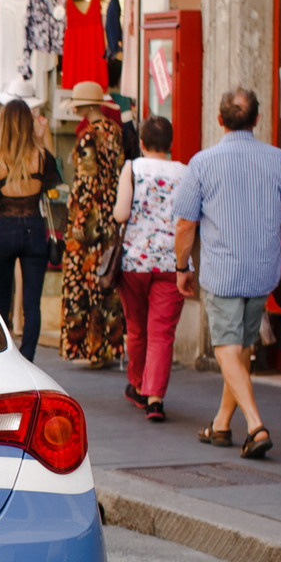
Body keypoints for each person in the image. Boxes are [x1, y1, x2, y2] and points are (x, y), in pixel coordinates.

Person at [173, 87, 281, 462]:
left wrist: (182, 267)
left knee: (226, 349)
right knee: (241, 347)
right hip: (262, 271)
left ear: (219, 120)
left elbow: (185, 225)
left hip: (223, 271)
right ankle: (221, 423)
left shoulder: (202, 163)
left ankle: (255, 425)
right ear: (257, 120)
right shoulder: (278, 160)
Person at [113, 114, 185, 422]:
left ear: (142, 143)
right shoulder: (185, 172)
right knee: (162, 332)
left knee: (137, 328)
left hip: (135, 262)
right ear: (170, 145)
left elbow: (120, 214)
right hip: (171, 262)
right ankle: (155, 398)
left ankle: (138, 384)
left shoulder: (133, 168)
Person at [0, 98, 62, 361]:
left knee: (1, 302)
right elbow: (54, 183)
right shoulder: (41, 157)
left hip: (4, 228)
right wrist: (42, 136)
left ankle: (4, 359)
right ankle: (27, 358)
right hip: (34, 229)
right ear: (29, 124)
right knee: (31, 304)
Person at [56, 82, 128, 369]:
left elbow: (86, 184)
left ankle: (88, 347)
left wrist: (77, 221)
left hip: (89, 221)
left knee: (81, 284)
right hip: (110, 217)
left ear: (84, 106)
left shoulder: (88, 136)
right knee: (105, 283)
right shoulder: (114, 131)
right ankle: (105, 347)